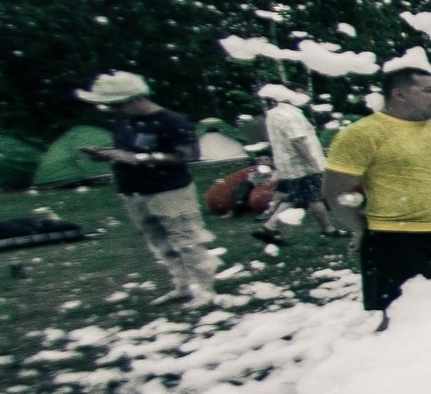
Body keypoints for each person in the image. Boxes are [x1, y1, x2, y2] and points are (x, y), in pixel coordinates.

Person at [325, 64, 431, 324]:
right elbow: (335, 191)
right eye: (429, 91)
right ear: (399, 95)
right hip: (395, 239)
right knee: (401, 321)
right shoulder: (363, 134)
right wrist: (359, 229)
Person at [76, 71, 221, 305]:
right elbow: (128, 152)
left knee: (187, 240)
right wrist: (108, 156)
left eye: (116, 105)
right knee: (159, 241)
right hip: (133, 189)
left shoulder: (172, 121)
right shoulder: (122, 120)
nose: (113, 110)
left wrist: (138, 158)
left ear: (135, 99)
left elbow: (188, 155)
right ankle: (182, 286)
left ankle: (205, 289)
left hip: (169, 190)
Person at [254, 84, 344, 244]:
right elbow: (298, 141)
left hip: (287, 163)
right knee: (313, 196)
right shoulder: (292, 116)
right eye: (301, 93)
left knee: (298, 197)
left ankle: (269, 226)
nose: (304, 96)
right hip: (301, 164)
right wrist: (313, 162)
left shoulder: (274, 114)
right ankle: (270, 226)